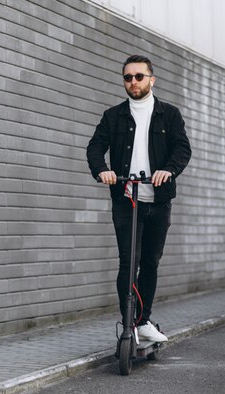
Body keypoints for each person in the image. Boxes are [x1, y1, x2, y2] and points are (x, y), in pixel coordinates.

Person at [86, 55, 192, 342]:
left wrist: (168, 170)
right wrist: (102, 170)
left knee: (151, 262)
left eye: (139, 76)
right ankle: (128, 325)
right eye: (128, 77)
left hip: (158, 201)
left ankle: (144, 321)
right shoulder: (113, 116)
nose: (133, 81)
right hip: (126, 200)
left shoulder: (169, 114)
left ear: (151, 80)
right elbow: (95, 147)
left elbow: (182, 149)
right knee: (127, 264)